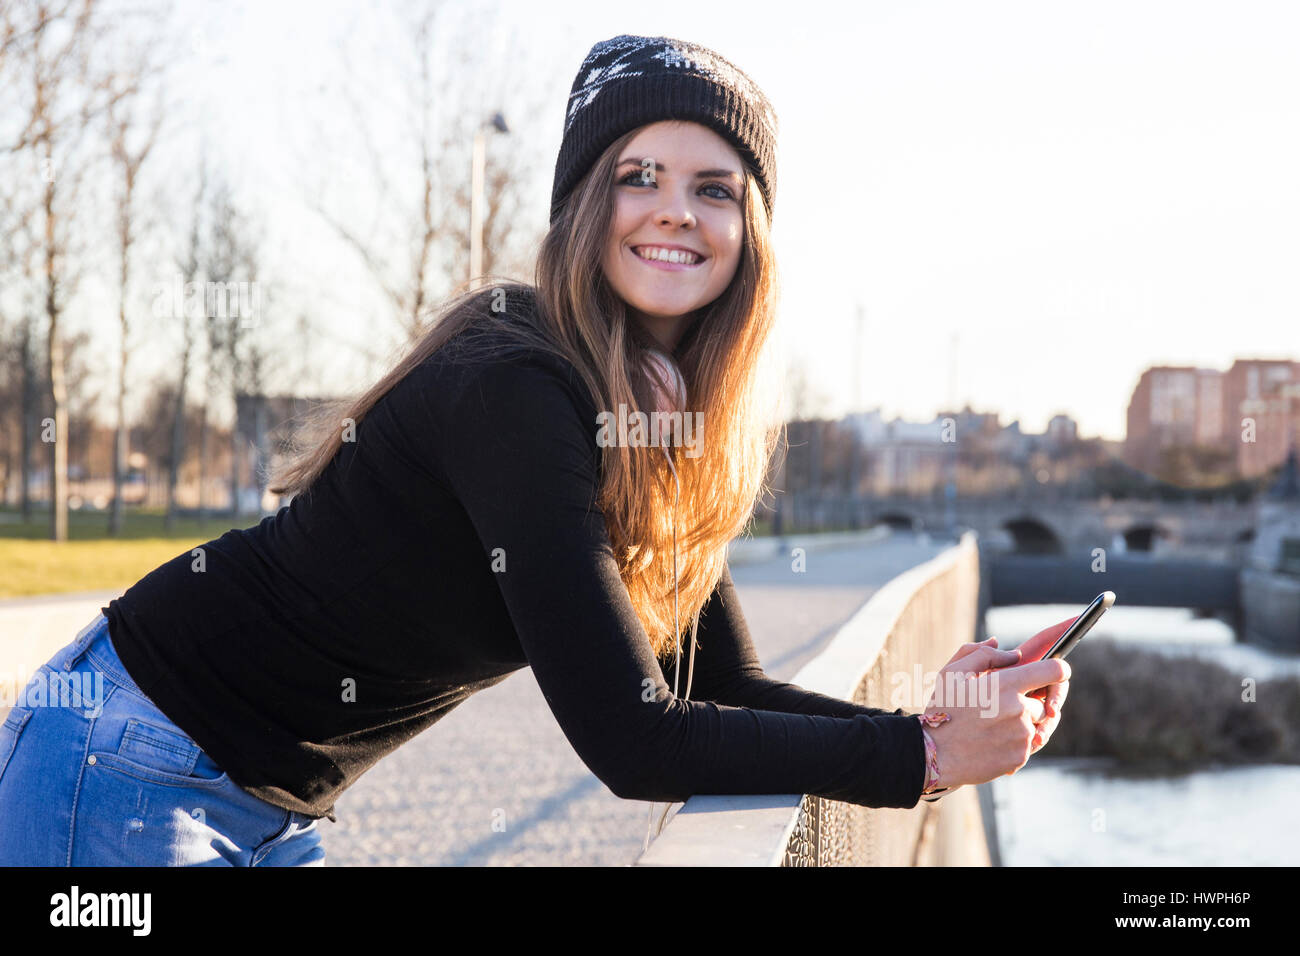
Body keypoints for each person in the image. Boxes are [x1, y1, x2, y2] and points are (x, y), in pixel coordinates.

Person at [0, 34, 1070, 867]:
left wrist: (926, 719)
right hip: (133, 758)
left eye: (714, 188)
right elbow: (632, 737)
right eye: (639, 173)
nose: (674, 213)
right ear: (584, 201)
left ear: (750, 236)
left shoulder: (653, 420)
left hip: (262, 799)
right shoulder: (514, 383)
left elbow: (725, 682)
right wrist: (920, 759)